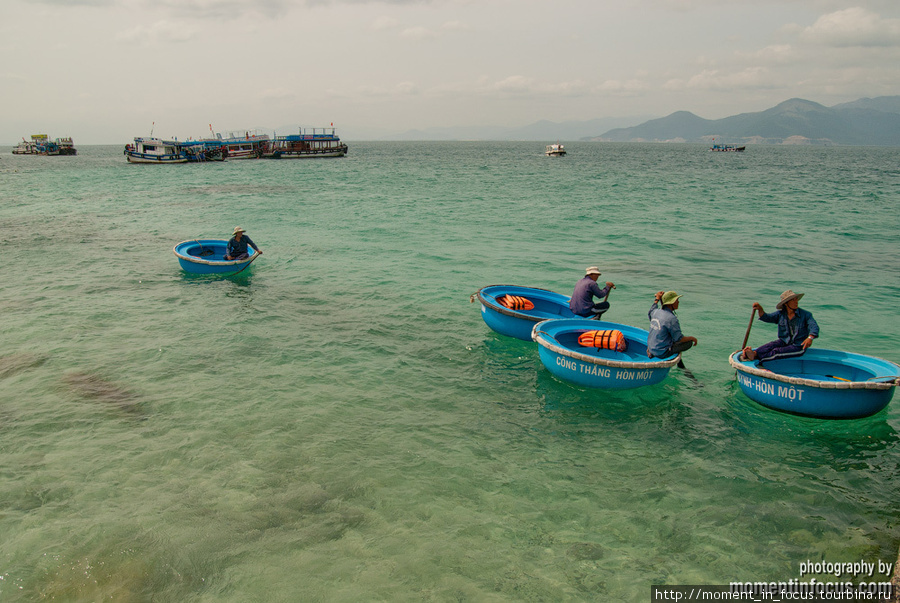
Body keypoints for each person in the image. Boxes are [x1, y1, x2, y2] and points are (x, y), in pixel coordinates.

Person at [741, 290, 818, 363]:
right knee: (767, 347)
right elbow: (767, 317)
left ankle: (756, 358)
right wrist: (760, 309)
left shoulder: (806, 315)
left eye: (796, 299)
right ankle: (753, 354)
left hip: (798, 346)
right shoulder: (781, 314)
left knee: (776, 352)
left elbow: (813, 326)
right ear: (786, 303)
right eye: (793, 300)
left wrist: (810, 337)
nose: (796, 302)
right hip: (784, 341)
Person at [647, 291, 698, 359]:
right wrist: (692, 338)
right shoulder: (671, 319)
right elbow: (679, 339)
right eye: (676, 300)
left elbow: (650, 311)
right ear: (671, 303)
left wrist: (657, 299)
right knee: (689, 343)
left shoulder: (656, 312)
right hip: (661, 352)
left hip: (651, 348)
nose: (678, 302)